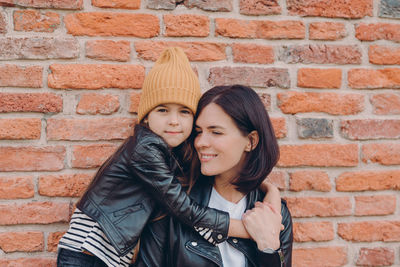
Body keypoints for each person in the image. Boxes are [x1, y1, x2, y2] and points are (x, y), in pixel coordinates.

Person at [57, 48, 281, 267]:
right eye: (163, 110)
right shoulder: (144, 149)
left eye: (184, 112)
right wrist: (246, 229)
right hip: (86, 254)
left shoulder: (171, 155)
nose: (174, 121)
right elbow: (185, 209)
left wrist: (271, 191)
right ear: (146, 118)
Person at [133, 85, 293, 267]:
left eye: (216, 132)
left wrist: (268, 246)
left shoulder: (276, 215)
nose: (200, 142)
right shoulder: (172, 203)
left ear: (250, 141)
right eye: (199, 132)